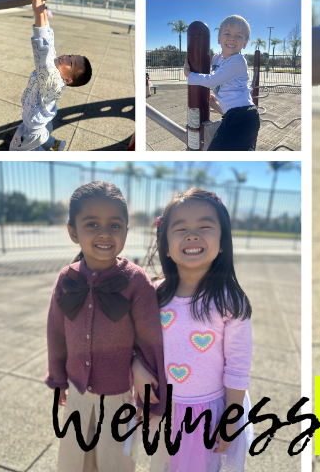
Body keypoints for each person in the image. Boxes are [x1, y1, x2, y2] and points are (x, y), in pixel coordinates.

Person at [45, 182, 166, 472]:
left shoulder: (137, 282)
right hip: (77, 393)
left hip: (119, 398)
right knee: (75, 460)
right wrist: (58, 377)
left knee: (116, 463)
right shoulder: (66, 279)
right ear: (73, 231)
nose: (104, 232)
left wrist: (149, 398)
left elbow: (150, 340)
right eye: (91, 224)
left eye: (115, 224)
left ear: (126, 230)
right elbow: (56, 332)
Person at [133, 189, 254, 472]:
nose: (192, 235)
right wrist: (138, 369)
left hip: (208, 413)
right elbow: (138, 343)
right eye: (181, 228)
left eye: (205, 226)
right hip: (164, 408)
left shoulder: (230, 301)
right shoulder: (153, 294)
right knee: (161, 465)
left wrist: (230, 419)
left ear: (223, 242)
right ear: (165, 246)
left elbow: (238, 366)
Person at [10, 0, 91, 151]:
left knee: (17, 150)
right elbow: (49, 40)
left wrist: (38, 13)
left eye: (71, 63)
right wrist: (43, 10)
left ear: (67, 80)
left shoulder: (52, 79)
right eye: (70, 55)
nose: (66, 58)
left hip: (33, 128)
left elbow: (43, 52)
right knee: (42, 137)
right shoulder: (56, 69)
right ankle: (55, 144)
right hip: (40, 122)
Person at [182, 15, 260, 151]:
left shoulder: (238, 61)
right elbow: (229, 85)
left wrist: (190, 75)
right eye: (227, 34)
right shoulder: (217, 58)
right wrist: (217, 98)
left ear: (245, 43)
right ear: (219, 38)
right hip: (235, 115)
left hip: (242, 117)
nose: (232, 38)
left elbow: (211, 80)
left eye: (239, 36)